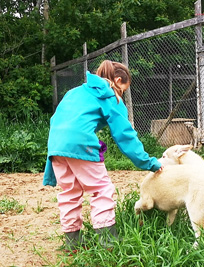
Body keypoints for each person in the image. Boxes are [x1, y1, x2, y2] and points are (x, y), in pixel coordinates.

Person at [43, 60, 163, 252]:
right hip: (80, 144)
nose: (121, 95)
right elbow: (125, 136)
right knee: (102, 189)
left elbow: (58, 119)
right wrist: (149, 162)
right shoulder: (109, 95)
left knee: (70, 192)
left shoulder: (75, 92)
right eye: (123, 90)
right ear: (117, 80)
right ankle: (108, 242)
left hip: (56, 144)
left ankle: (72, 242)